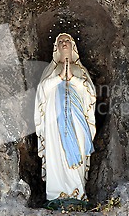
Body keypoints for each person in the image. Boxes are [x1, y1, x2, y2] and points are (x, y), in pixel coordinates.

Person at [34, 33, 96, 202]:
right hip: (55, 120)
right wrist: (60, 77)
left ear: (73, 46)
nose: (63, 44)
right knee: (57, 152)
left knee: (79, 146)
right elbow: (41, 92)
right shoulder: (51, 70)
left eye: (67, 41)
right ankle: (56, 194)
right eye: (60, 42)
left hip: (77, 119)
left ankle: (78, 192)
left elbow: (90, 94)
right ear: (56, 48)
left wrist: (73, 79)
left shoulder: (80, 70)